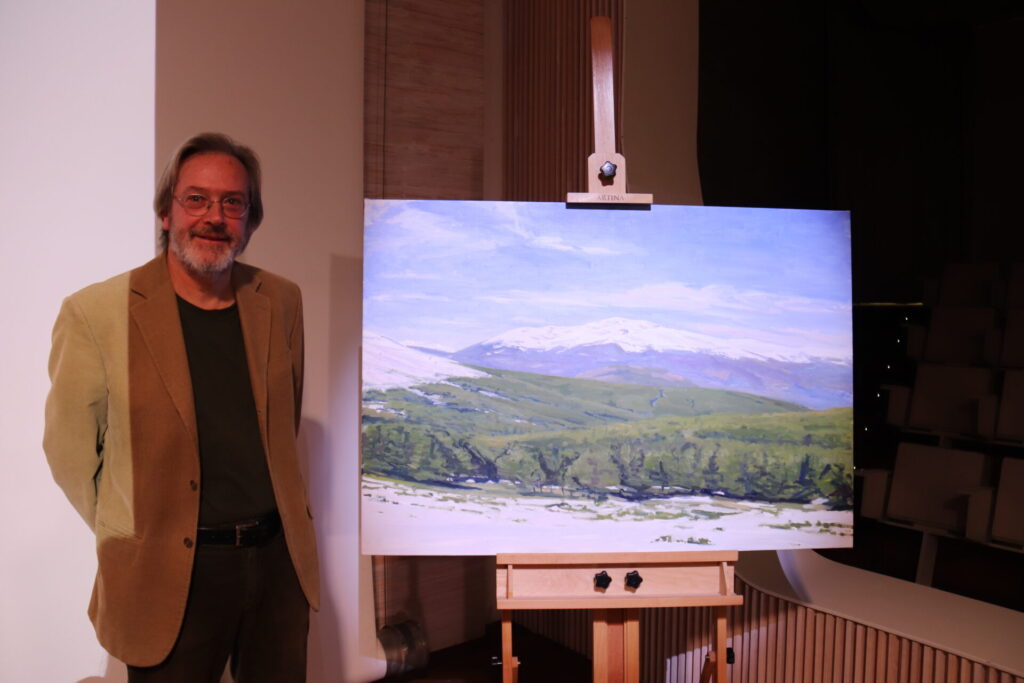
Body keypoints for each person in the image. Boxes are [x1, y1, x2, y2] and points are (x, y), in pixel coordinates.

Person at [44, 132, 319, 682]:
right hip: (169, 574)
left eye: (232, 202)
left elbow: (281, 423)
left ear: (250, 217)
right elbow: (69, 452)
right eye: (196, 199)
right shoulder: (96, 312)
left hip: (275, 566)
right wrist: (136, 529)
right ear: (166, 212)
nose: (213, 216)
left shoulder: (281, 299)